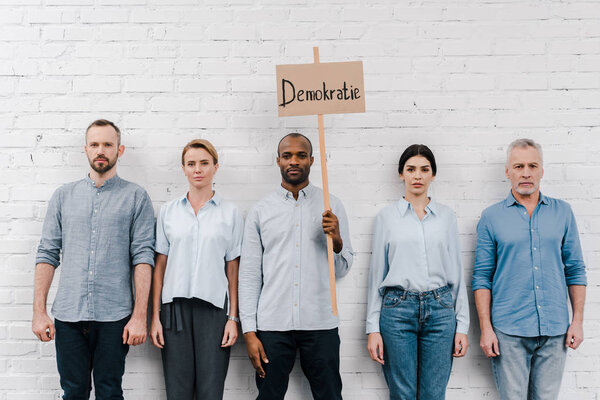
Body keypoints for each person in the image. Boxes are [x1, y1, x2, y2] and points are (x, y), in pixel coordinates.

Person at [32, 119, 155, 399]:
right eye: (95, 144)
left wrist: (139, 316)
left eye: (108, 145)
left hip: (115, 317)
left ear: (119, 150)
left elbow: (143, 258)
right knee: (73, 392)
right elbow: (47, 254)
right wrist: (39, 311)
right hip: (68, 315)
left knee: (110, 392)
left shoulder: (136, 197)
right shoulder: (63, 196)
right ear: (86, 149)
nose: (101, 150)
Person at [239, 133, 353, 400]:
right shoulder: (260, 211)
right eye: (287, 155)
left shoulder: (331, 206)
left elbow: (343, 269)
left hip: (320, 323)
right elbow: (249, 276)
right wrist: (249, 332)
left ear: (312, 160)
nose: (294, 161)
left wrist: (337, 240)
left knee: (330, 396)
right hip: (272, 325)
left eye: (301, 155)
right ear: (277, 160)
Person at [472, 138, 587, 400]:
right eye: (519, 166)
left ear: (542, 170)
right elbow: (481, 277)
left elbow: (576, 270)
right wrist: (486, 328)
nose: (526, 172)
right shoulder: (491, 217)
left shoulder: (563, 212)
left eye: (532, 165)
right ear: (507, 171)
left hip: (555, 329)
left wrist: (577, 322)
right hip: (508, 332)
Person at [366, 144, 469, 400]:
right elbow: (377, 274)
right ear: (401, 174)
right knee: (403, 394)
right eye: (411, 169)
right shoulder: (387, 217)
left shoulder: (446, 217)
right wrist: (372, 328)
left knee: (434, 394)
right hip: (397, 310)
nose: (417, 176)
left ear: (433, 174)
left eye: (424, 169)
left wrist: (463, 326)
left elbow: (456, 271)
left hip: (441, 309)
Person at [149, 139, 243, 400]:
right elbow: (160, 267)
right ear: (183, 169)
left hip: (214, 312)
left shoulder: (230, 213)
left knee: (210, 392)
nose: (197, 169)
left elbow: (233, 270)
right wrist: (155, 317)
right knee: (178, 392)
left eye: (204, 163)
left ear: (215, 167)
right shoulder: (168, 212)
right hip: (174, 310)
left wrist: (232, 319)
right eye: (191, 164)